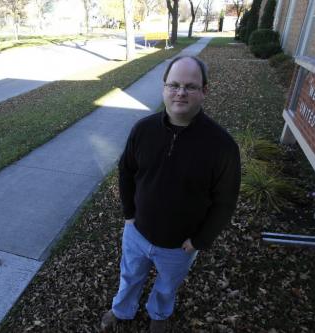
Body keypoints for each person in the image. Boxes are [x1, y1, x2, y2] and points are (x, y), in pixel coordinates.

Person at [100, 56, 241, 333]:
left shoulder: (221, 146)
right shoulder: (143, 130)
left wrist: (200, 240)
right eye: (174, 85)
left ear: (204, 91)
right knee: (129, 277)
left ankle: (159, 315)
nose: (180, 92)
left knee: (167, 285)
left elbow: (225, 202)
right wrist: (129, 214)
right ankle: (122, 310)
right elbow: (126, 171)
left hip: (180, 246)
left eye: (190, 86)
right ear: (164, 88)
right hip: (137, 234)